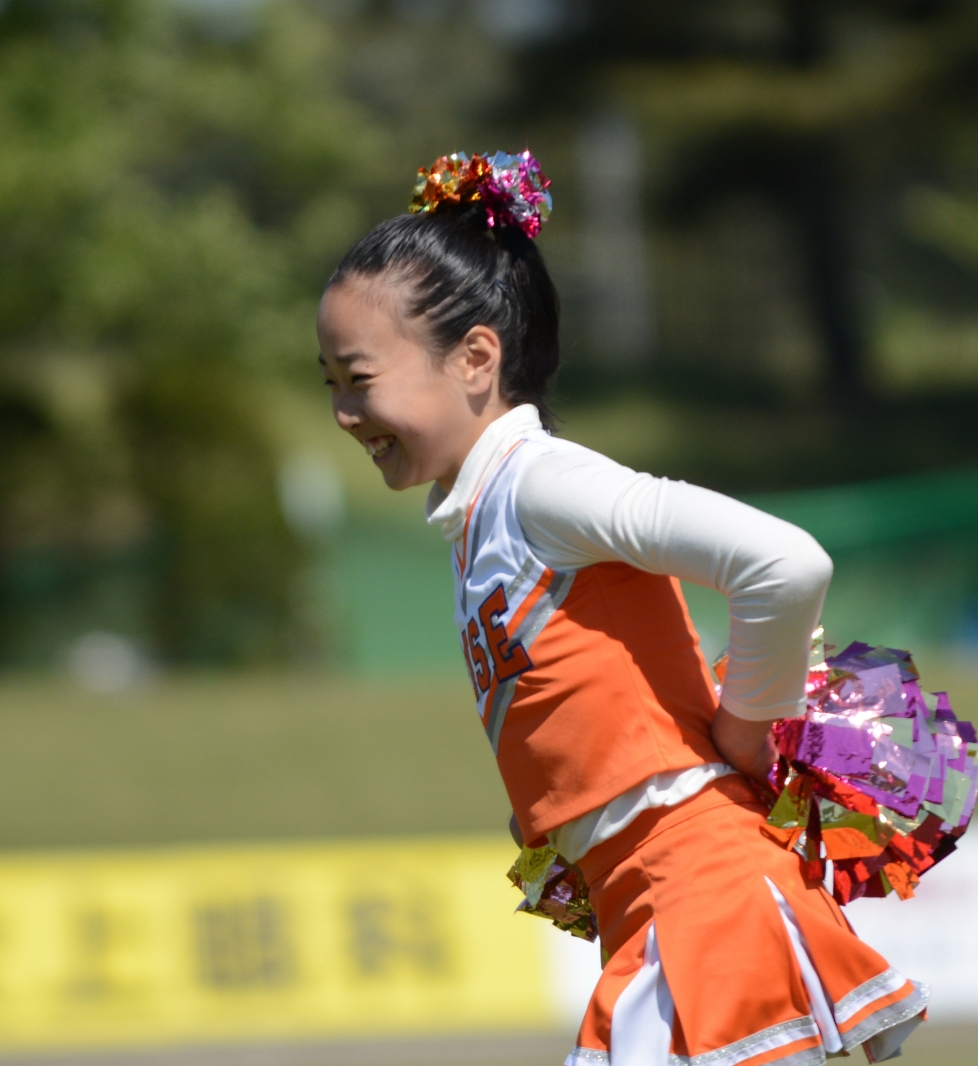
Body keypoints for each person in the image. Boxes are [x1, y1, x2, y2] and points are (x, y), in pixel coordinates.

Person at [316, 152, 926, 1066]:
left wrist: (748, 727)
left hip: (705, 898)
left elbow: (784, 562)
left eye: (358, 378)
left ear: (476, 358)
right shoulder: (481, 519)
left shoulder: (541, 486)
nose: (341, 411)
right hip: (653, 911)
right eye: (327, 382)